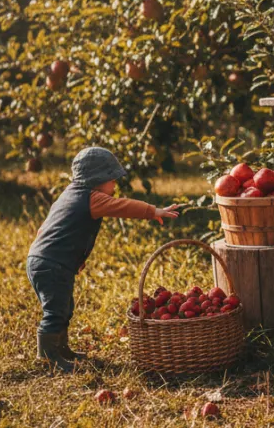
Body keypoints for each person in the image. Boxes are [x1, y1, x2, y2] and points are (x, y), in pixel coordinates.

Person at [25, 147, 179, 371]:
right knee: (55, 311)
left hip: (42, 260)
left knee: (64, 307)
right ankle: (47, 357)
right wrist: (153, 211)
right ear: (98, 179)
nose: (114, 185)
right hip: (52, 265)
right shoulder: (92, 198)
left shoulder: (69, 193)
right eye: (112, 180)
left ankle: (61, 349)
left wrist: (71, 257)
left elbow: (48, 228)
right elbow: (122, 206)